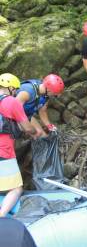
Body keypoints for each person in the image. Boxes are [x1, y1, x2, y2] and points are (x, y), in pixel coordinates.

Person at [0, 73, 37, 217]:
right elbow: (27, 127)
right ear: (9, 88)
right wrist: (35, 131)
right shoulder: (11, 102)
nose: (16, 93)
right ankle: (2, 215)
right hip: (3, 150)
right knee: (16, 188)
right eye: (15, 90)